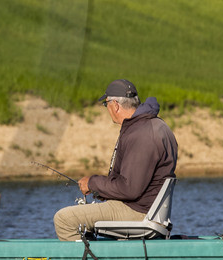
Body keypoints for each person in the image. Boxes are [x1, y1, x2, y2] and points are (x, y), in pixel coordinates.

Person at [53, 78, 177, 242]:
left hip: (138, 211)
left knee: (64, 219)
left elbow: (129, 188)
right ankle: (101, 258)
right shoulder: (153, 125)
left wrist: (92, 183)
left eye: (106, 104)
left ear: (115, 105)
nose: (107, 109)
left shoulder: (142, 135)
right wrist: (101, 190)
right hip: (145, 207)